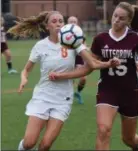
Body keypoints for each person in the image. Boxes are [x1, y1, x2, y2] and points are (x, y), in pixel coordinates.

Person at [49, 2, 138, 150]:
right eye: (115, 15)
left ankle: (137, 146)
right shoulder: (101, 39)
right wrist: (62, 75)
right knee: (103, 130)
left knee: (129, 139)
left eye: (121, 18)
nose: (116, 20)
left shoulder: (135, 39)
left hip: (130, 93)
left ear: (128, 21)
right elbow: (88, 67)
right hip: (107, 91)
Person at [8, 11, 120, 151]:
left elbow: (92, 64)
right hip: (42, 96)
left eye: (61, 21)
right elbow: (26, 70)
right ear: (47, 26)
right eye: (54, 21)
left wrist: (108, 64)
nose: (58, 24)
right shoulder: (40, 46)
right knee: (29, 143)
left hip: (62, 99)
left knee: (46, 145)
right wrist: (24, 78)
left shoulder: (73, 42)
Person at [67, 16, 87, 104]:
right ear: (67, 23)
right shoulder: (64, 33)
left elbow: (84, 45)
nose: (73, 23)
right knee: (70, 78)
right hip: (68, 57)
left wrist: (85, 49)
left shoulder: (80, 33)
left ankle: (78, 93)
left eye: (74, 21)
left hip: (78, 57)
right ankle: (68, 95)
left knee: (83, 78)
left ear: (77, 23)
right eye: (71, 21)